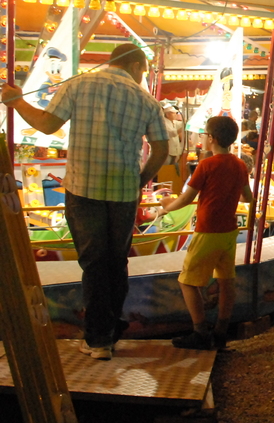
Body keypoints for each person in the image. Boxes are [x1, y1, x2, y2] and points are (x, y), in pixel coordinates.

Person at [2, 43, 169, 360]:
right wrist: (140, 181)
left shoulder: (78, 84)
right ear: (135, 65)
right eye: (143, 71)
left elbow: (48, 124)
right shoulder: (145, 100)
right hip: (123, 193)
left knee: (93, 264)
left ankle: (98, 340)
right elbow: (161, 149)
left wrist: (17, 102)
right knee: (116, 263)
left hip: (83, 189)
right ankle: (111, 331)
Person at [160, 116, 252, 349]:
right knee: (226, 280)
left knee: (188, 281)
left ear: (211, 138)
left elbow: (186, 197)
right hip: (228, 230)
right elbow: (247, 197)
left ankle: (200, 331)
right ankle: (221, 330)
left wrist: (166, 208)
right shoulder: (240, 164)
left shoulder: (206, 165)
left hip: (208, 229)